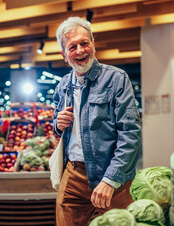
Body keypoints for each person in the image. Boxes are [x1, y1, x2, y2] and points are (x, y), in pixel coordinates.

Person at [53, 17, 142, 226]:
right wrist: (58, 125)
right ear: (64, 55)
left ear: (93, 44)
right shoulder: (63, 86)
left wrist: (111, 179)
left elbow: (130, 133)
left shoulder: (116, 79)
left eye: (85, 43)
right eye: (72, 47)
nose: (80, 50)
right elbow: (57, 130)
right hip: (74, 174)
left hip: (112, 174)